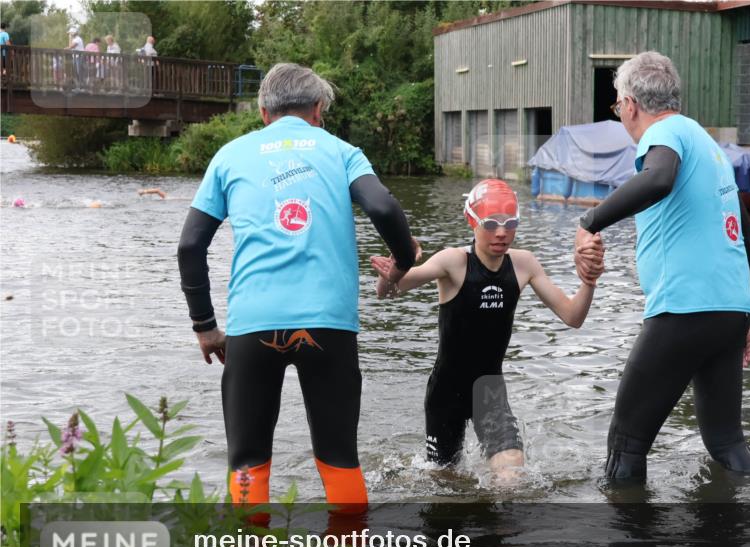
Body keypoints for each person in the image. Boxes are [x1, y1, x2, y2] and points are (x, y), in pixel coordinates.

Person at [177, 63, 418, 509]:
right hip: (329, 325)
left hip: (253, 325)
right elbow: (383, 207)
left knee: (248, 462)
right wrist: (403, 261)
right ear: (318, 109)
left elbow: (191, 246)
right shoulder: (342, 152)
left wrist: (205, 326)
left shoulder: (231, 155)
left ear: (264, 113)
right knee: (339, 458)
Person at [574, 51, 750, 484]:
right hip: (728, 314)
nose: (620, 113)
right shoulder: (707, 146)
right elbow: (749, 240)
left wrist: (589, 222)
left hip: (682, 311)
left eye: (617, 105)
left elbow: (658, 178)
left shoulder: (667, 133)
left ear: (631, 105)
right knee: (727, 445)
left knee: (626, 446)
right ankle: (743, 539)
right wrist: (744, 316)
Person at [370, 179, 604, 475]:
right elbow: (388, 291)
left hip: (489, 391)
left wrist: (589, 281)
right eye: (492, 223)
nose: (502, 232)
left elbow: (573, 316)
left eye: (511, 223)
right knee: (443, 483)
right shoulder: (453, 262)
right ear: (473, 222)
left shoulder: (524, 264)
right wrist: (398, 266)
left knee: (512, 478)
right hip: (446, 394)